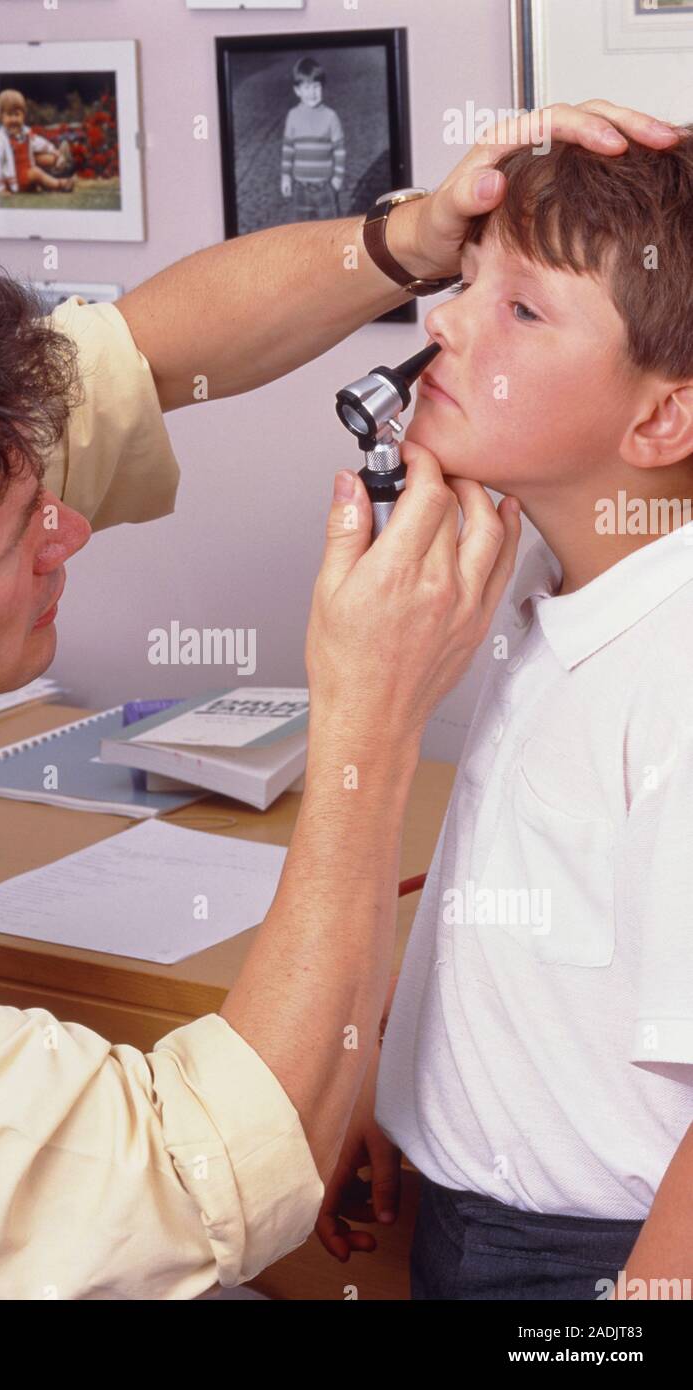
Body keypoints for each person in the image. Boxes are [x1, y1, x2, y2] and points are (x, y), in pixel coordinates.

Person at [0, 101, 678, 1300]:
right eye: (23, 536)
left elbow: (138, 352)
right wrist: (365, 725)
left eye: (516, 302)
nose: (71, 521)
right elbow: (191, 1184)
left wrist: (418, 232)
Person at [319, 124, 693, 1299]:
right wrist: (398, 1075)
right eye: (465, 280)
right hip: (472, 1213)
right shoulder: (548, 576)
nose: (445, 322)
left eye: (522, 311)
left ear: (660, 422)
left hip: (602, 1257)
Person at [281, 57, 345, 222]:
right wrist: (286, 177)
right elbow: (288, 149)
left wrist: (337, 178)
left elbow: (339, 150)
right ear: (297, 90)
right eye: (307, 87)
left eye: (316, 86)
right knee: (299, 232)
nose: (312, 93)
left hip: (325, 187)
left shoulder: (331, 117)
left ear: (322, 87)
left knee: (330, 231)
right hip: (300, 188)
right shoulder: (293, 116)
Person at [0, 88, 75, 196]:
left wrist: (54, 151)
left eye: (17, 114)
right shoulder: (0, 140)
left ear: (23, 116)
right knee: (36, 173)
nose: (14, 119)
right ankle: (60, 184)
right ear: (1, 116)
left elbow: (40, 143)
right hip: (16, 180)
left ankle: (57, 170)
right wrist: (0, 188)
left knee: (46, 157)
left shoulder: (25, 134)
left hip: (27, 172)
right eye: (9, 115)